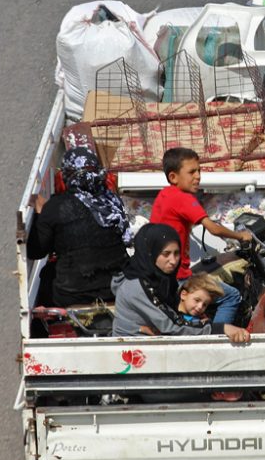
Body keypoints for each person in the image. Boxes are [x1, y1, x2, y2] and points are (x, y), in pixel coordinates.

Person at [150, 147, 253, 324]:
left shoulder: (164, 195)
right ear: (173, 177)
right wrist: (240, 236)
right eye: (192, 172)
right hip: (180, 277)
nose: (198, 176)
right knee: (232, 296)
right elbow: (213, 228)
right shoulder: (183, 198)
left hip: (161, 276)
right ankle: (217, 336)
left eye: (199, 170)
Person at [111, 224, 250, 344]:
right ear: (150, 254)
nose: (173, 261)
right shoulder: (137, 286)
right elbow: (170, 325)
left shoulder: (161, 279)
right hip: (133, 351)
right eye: (166, 254)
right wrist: (220, 328)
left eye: (177, 253)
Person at [27, 147, 130, 306]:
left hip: (72, 294)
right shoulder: (112, 202)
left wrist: (41, 213)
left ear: (67, 175)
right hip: (118, 289)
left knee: (46, 275)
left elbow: (36, 250)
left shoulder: (56, 207)